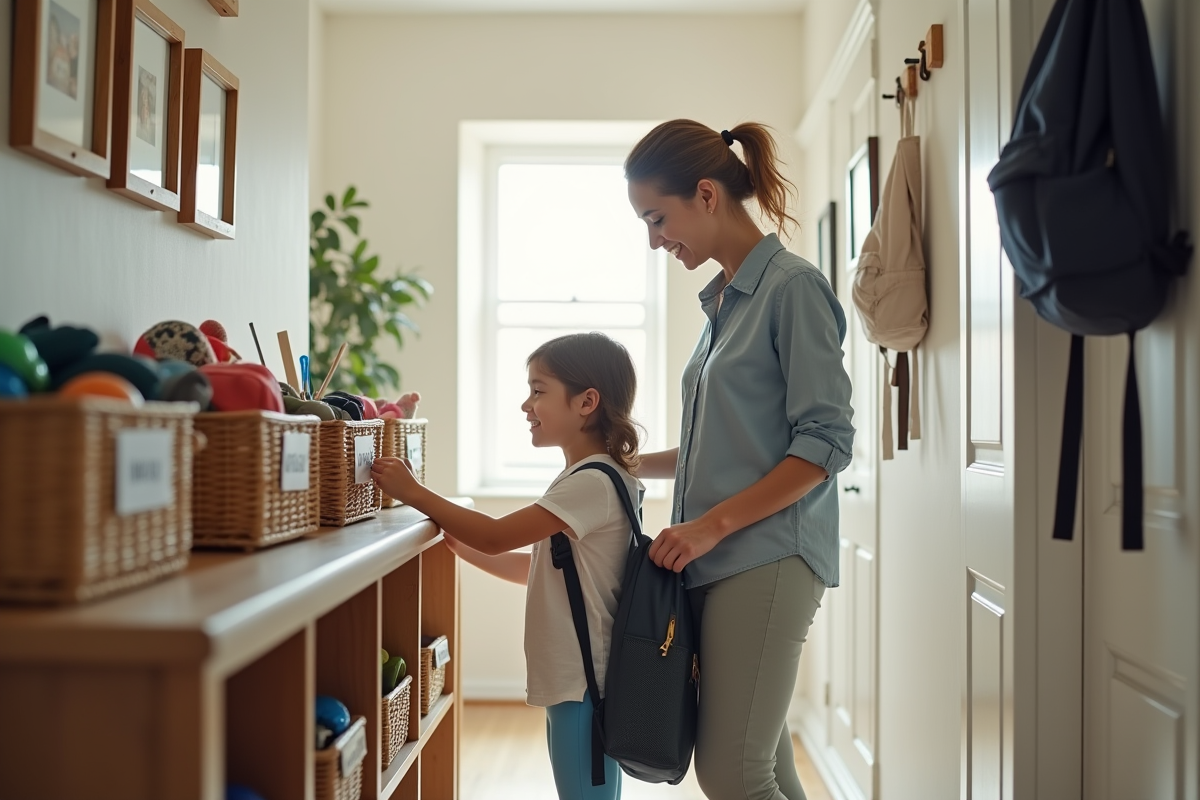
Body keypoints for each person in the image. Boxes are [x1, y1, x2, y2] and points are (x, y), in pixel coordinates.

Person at [625, 120, 855, 800]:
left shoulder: (792, 289)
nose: (655, 239)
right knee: (764, 768)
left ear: (705, 194)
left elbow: (824, 442)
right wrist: (625, 464)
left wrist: (709, 528)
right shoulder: (723, 300)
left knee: (730, 773)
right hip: (719, 561)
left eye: (657, 218)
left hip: (768, 556)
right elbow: (713, 449)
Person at [372, 332, 644, 800]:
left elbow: (497, 535)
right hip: (580, 679)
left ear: (587, 402)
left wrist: (415, 492)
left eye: (539, 391)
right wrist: (464, 546)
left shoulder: (592, 482)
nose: (526, 405)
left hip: (582, 682)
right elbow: (540, 568)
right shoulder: (592, 477)